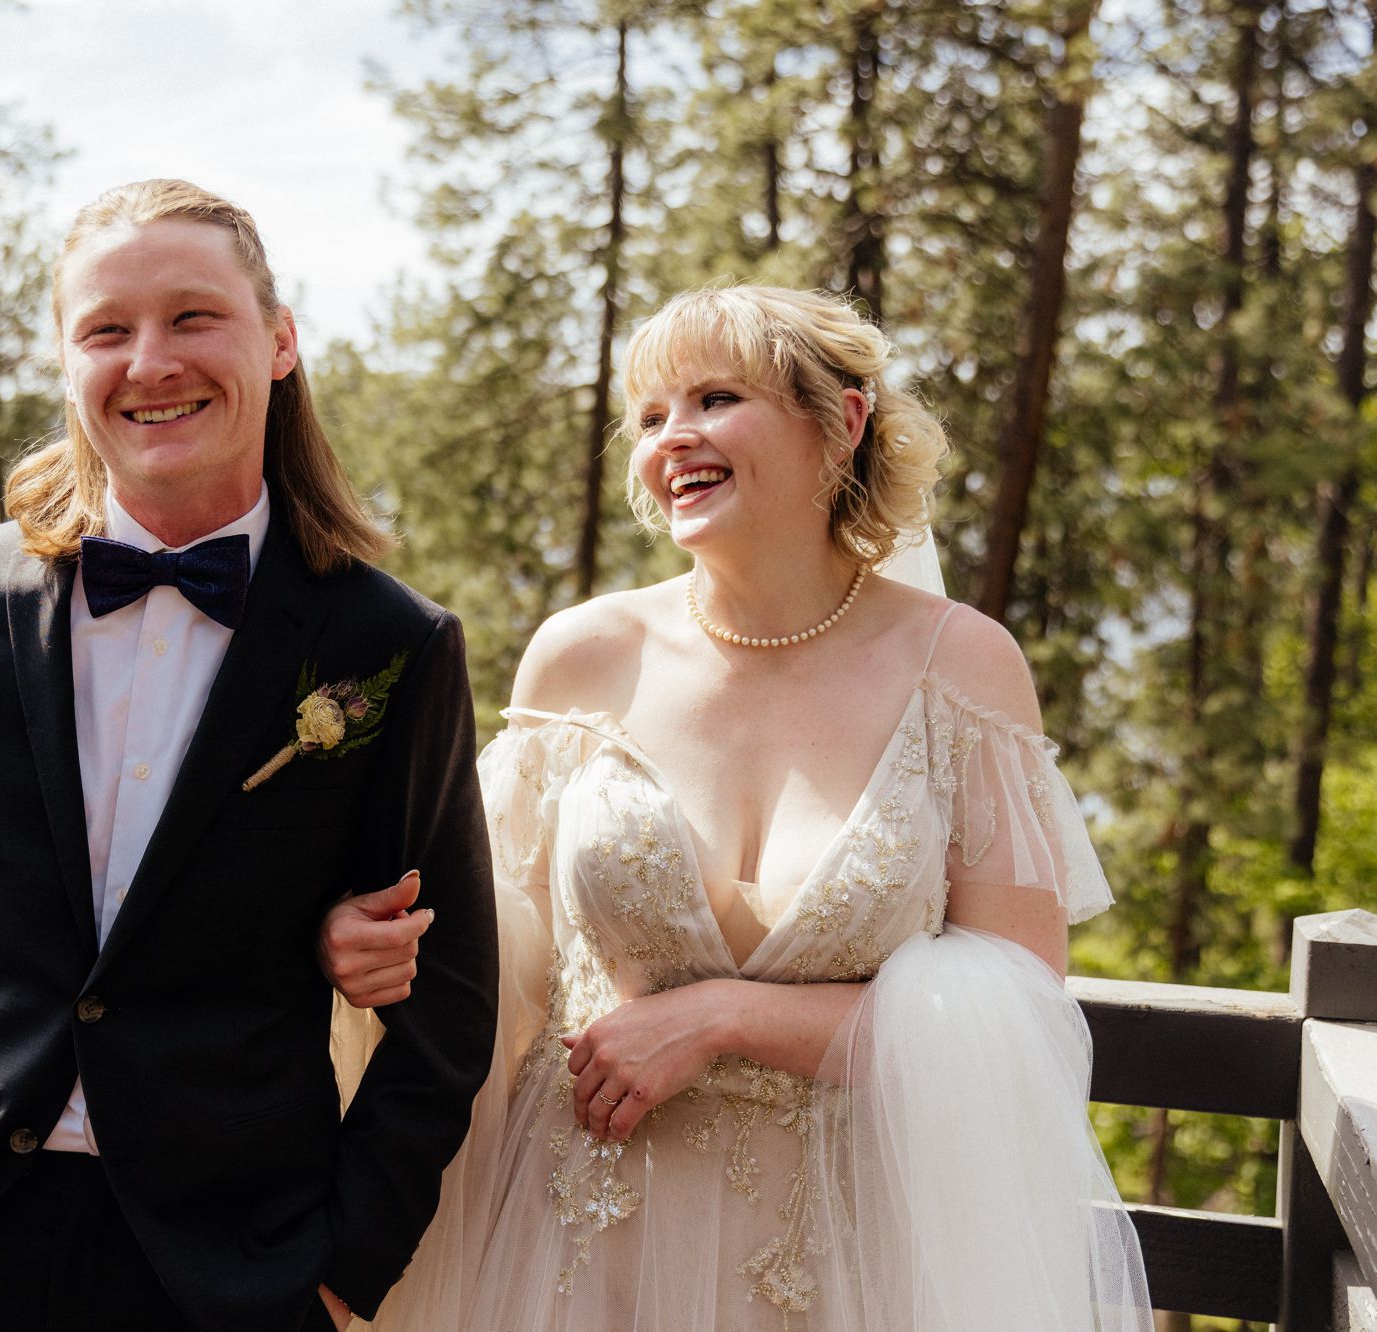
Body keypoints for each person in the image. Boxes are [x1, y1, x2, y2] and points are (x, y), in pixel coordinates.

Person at [322, 285, 1153, 1330]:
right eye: (649, 415)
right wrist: (378, 944)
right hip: (576, 1252)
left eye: (714, 398)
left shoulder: (961, 667)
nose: (673, 437)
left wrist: (726, 1019)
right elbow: (496, 945)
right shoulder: (582, 655)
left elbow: (1013, 1014)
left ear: (841, 424)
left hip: (852, 1263)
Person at [0, 178, 499, 1332]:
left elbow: (451, 994)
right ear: (68, 366)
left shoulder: (386, 643)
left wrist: (339, 1257)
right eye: (106, 330)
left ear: (278, 343)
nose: (149, 360)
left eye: (192, 317)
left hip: (227, 1267)